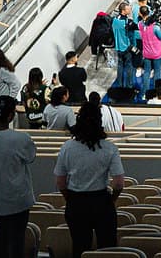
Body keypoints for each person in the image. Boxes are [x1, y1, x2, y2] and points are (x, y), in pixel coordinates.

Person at [53, 99, 125, 258]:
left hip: (76, 202)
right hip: (101, 201)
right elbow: (119, 183)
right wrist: (110, 200)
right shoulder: (110, 148)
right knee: (107, 250)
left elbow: (60, 182)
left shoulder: (67, 147)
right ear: (100, 121)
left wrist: (70, 198)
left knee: (80, 247)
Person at [0, 97, 38, 258]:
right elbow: (31, 157)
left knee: (0, 235)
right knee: (17, 240)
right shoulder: (21, 139)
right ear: (10, 116)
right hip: (18, 198)